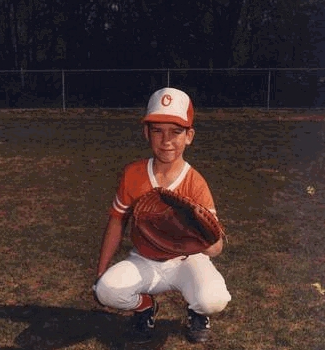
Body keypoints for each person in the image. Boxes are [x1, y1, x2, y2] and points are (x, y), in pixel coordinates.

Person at [94, 87, 231, 344]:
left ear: (189, 136)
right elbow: (116, 221)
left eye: (176, 131)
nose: (166, 140)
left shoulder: (195, 183)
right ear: (146, 133)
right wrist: (100, 272)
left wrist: (208, 239)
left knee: (213, 299)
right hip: (145, 260)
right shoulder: (133, 174)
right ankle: (145, 305)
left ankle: (197, 311)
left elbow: (215, 248)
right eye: (157, 130)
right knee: (106, 291)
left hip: (186, 262)